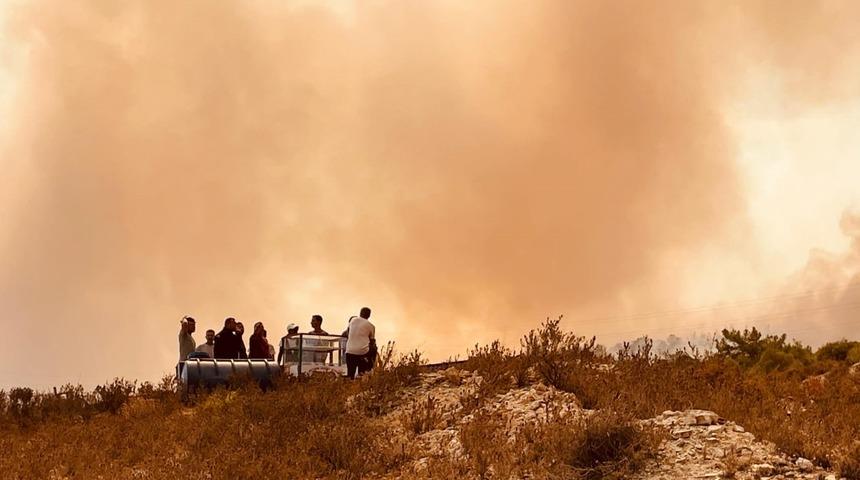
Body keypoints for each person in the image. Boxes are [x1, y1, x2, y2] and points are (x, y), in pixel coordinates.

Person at [343, 307, 376, 379]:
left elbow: (348, 332)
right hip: (362, 352)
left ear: (360, 313)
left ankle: (349, 382)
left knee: (350, 373)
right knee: (361, 374)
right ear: (369, 315)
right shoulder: (371, 326)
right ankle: (370, 368)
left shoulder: (352, 320)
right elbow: (372, 341)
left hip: (349, 351)